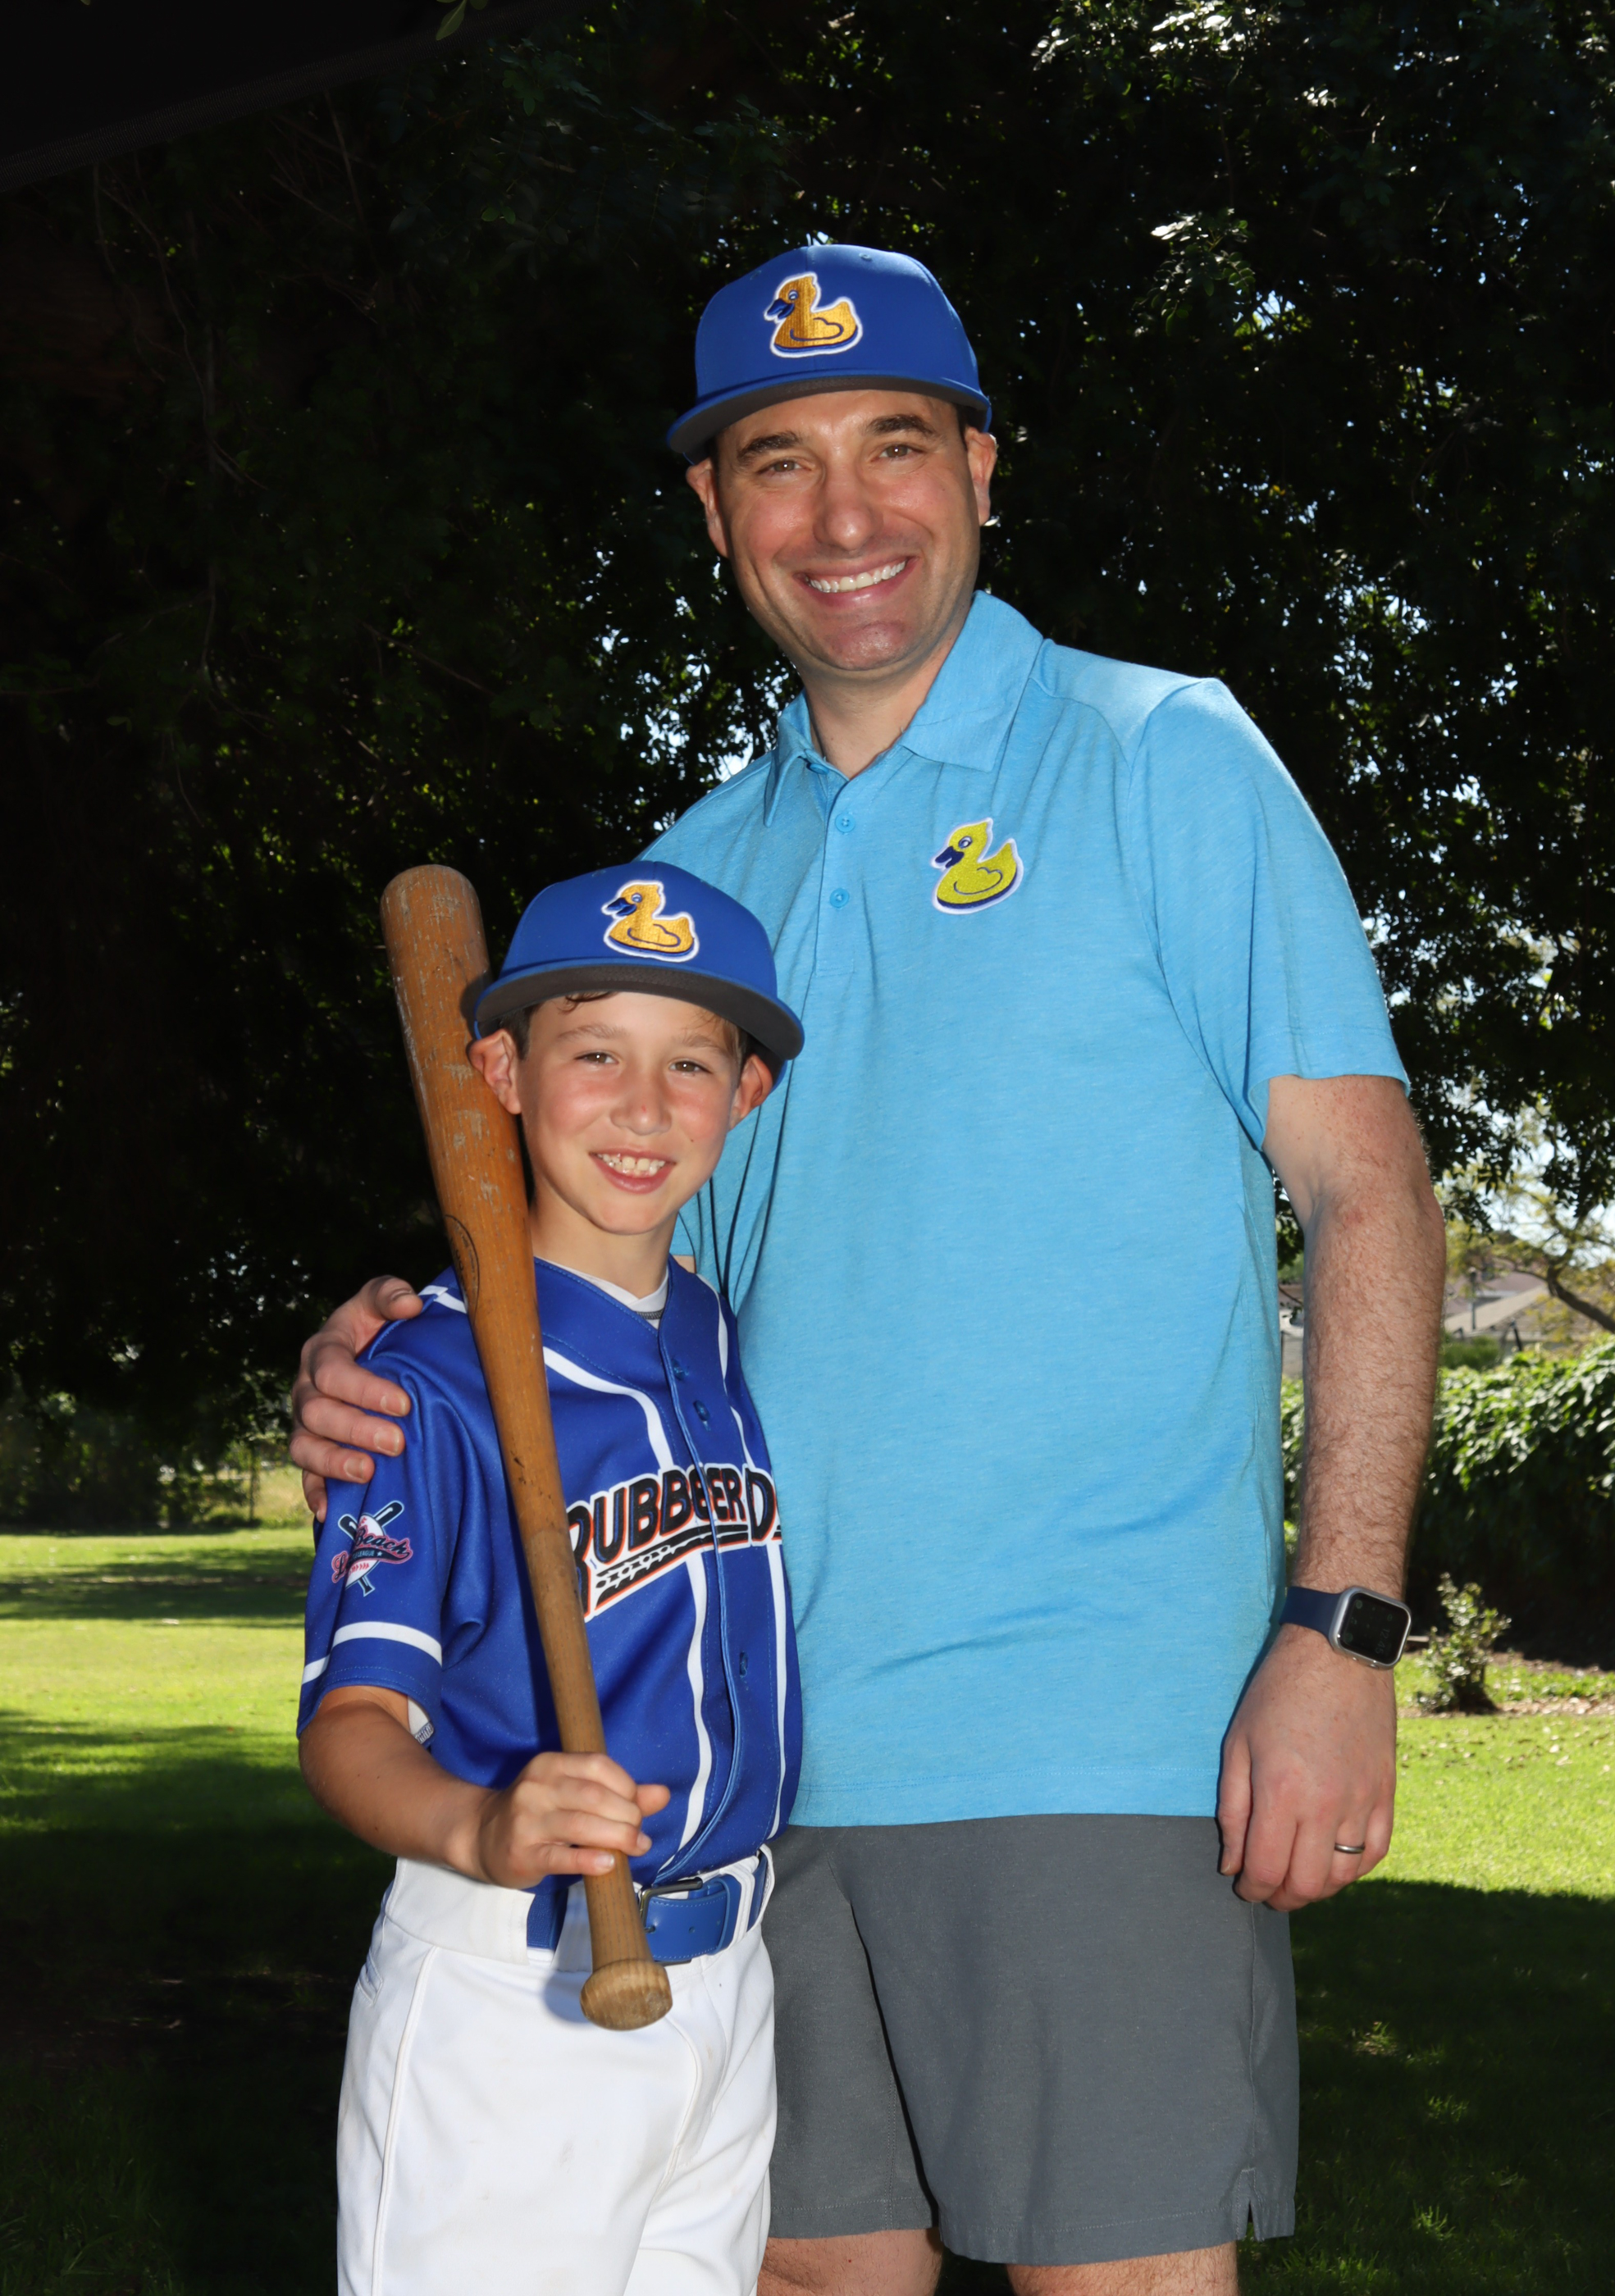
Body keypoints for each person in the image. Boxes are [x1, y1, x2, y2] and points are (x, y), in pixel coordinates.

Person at [292, 246, 1448, 2295]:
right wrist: (410, 1338)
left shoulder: (1158, 754)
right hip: (742, 1761)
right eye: (779, 461)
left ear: (981, 468)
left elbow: (1369, 1194)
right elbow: (608, 1257)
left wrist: (1339, 1630)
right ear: (712, 509)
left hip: (1085, 1733)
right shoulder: (689, 879)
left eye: (894, 445)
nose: (843, 515)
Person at [298, 863, 805, 2296]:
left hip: (724, 1985)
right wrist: (481, 1824)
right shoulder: (422, 1380)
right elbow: (347, 1730)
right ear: (502, 1074)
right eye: (594, 1055)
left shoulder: (716, 1333)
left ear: (746, 1093)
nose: (643, 1108)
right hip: (512, 1994)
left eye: (689, 1064)